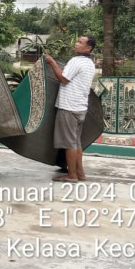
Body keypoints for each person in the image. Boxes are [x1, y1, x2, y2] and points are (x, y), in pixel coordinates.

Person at [44, 35, 97, 182]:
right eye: (77, 41)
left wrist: (51, 62)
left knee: (69, 143)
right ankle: (80, 174)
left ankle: (72, 175)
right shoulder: (89, 63)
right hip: (80, 107)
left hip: (69, 107)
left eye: (80, 42)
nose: (76, 43)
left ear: (88, 48)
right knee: (76, 142)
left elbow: (63, 79)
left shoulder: (76, 61)